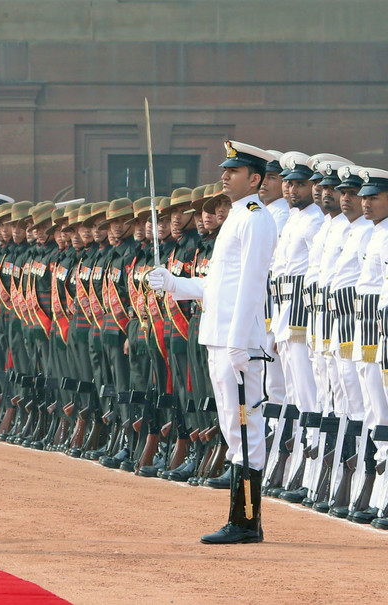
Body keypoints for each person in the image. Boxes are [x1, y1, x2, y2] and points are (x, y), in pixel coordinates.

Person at [150, 140, 278, 544]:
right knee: (231, 426)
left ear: (254, 179)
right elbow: (220, 287)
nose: (224, 176)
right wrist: (175, 284)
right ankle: (242, 518)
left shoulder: (256, 218)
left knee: (245, 427)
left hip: (238, 342)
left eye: (234, 171)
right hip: (220, 338)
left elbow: (253, 285)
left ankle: (245, 520)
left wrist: (240, 341)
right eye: (225, 170)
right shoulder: (236, 219)